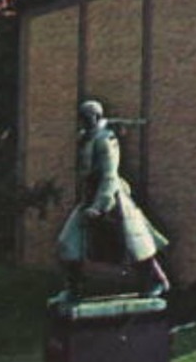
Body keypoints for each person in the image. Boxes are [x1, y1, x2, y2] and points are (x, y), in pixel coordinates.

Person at [55, 100, 170, 303]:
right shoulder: (86, 138)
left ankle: (156, 280)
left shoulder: (106, 140)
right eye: (82, 116)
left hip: (112, 200)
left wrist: (100, 206)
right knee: (68, 243)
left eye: (88, 116)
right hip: (89, 197)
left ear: (97, 117)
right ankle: (73, 289)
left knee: (135, 243)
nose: (83, 121)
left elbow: (109, 175)